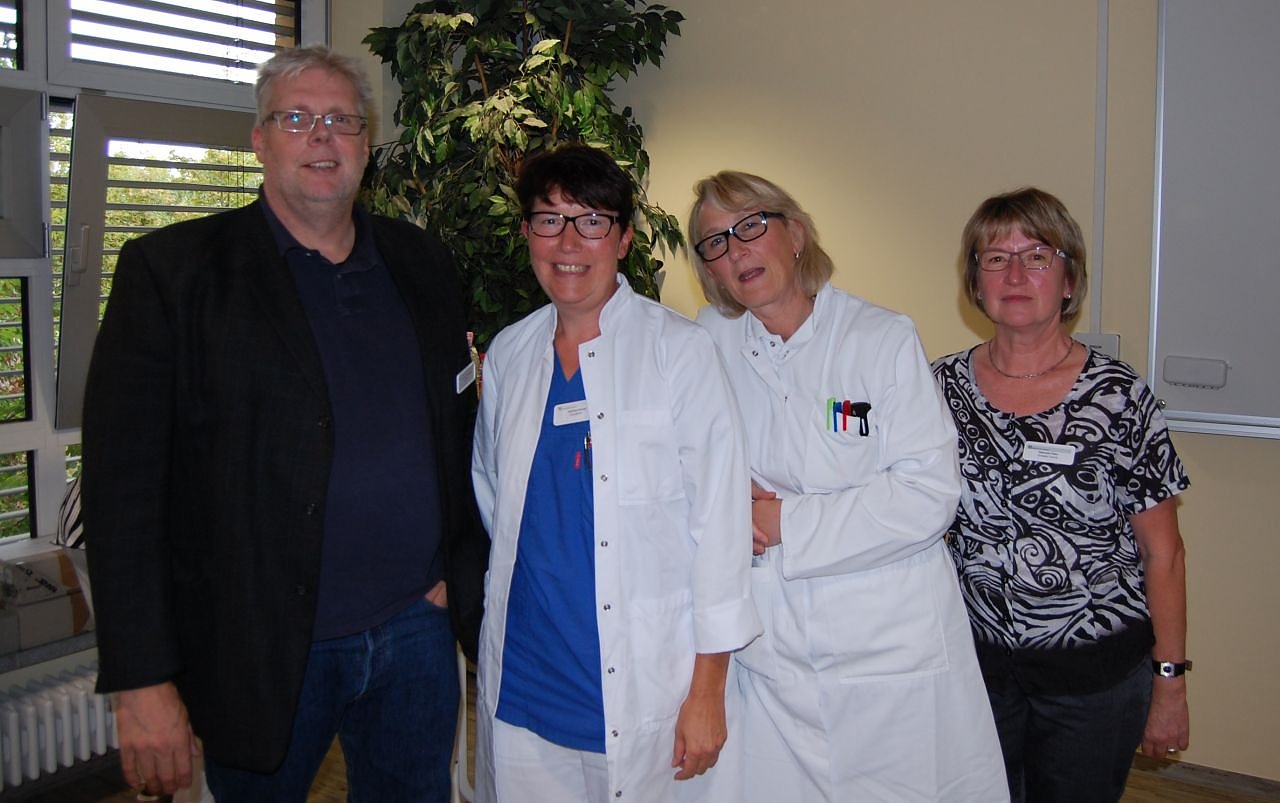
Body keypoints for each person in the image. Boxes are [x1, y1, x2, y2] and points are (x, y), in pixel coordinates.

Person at [81, 45, 488, 801]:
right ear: (259, 139)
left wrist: (448, 571)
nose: (321, 136)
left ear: (366, 140)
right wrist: (142, 680)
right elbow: (122, 495)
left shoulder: (422, 262)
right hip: (260, 648)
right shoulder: (173, 273)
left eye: (341, 119)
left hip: (414, 628)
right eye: (296, 118)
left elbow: (454, 427)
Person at [689, 170, 1008, 802]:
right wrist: (728, 494)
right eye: (716, 242)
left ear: (796, 235)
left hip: (887, 651)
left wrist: (784, 520)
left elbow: (928, 494)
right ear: (711, 271)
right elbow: (688, 458)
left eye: (751, 226)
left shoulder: (880, 338)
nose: (737, 250)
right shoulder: (708, 342)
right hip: (772, 653)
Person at [471, 144, 761, 803]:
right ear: (526, 232)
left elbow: (720, 529)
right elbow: (493, 498)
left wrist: (708, 691)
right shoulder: (511, 354)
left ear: (624, 239)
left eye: (592, 221)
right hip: (525, 680)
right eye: (549, 220)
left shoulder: (679, 351)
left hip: (643, 687)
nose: (569, 242)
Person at [932, 187, 1191, 802]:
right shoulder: (936, 388)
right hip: (975, 673)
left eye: (1037, 257)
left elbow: (1164, 554)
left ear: (1069, 280)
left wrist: (1171, 682)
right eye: (996, 258)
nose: (1015, 274)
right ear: (975, 282)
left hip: (1094, 682)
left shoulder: (1118, 395)